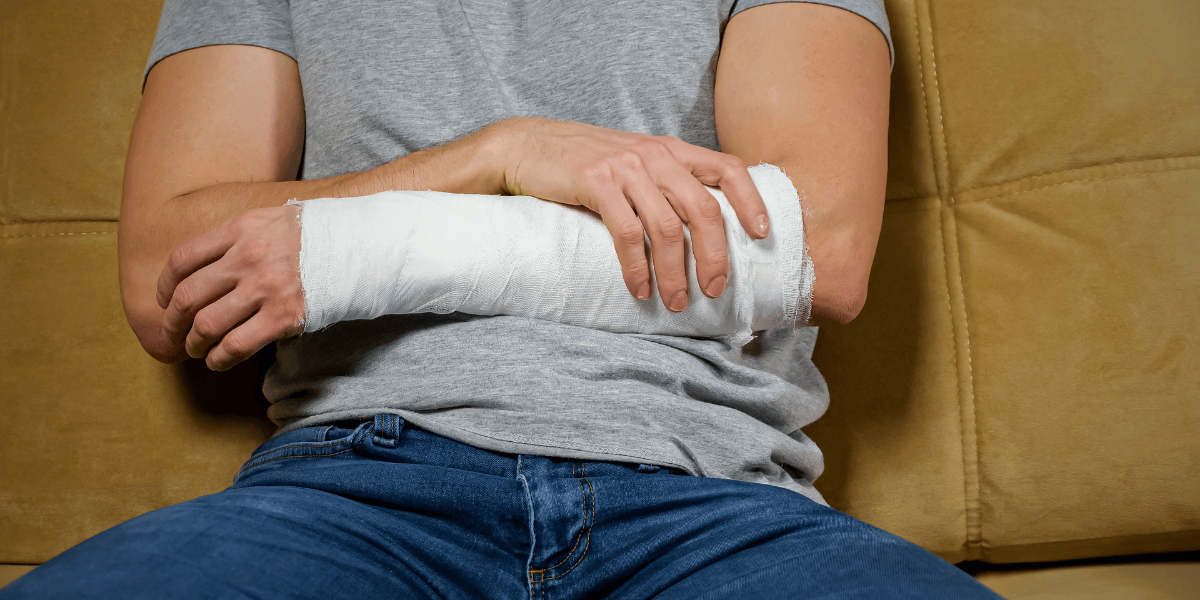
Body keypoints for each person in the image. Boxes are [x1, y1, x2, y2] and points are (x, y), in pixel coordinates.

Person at [2, 0, 1003, 598]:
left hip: (710, 494)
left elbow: (811, 250)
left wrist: (367, 236)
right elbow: (164, 275)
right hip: (360, 487)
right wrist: (498, 157)